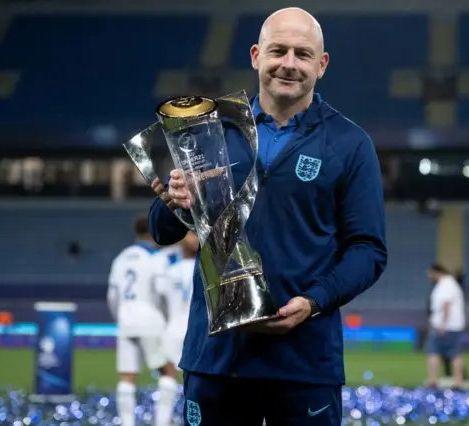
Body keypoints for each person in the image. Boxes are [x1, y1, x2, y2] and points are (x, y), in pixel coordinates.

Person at [148, 7, 387, 426]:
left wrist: (313, 303)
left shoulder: (351, 144)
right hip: (216, 359)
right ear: (257, 55)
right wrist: (177, 201)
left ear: (322, 64)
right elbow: (162, 228)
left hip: (304, 361)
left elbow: (368, 250)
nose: (289, 64)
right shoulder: (210, 132)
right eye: (278, 51)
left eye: (302, 53)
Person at [107, 216, 178, 426]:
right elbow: (162, 291)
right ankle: (162, 423)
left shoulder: (122, 258)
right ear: (154, 233)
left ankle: (127, 423)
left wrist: (119, 317)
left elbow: (113, 295)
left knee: (127, 377)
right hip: (151, 321)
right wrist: (167, 318)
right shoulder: (158, 259)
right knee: (167, 371)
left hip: (126, 320)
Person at [156, 231, 198, 369]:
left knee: (168, 376)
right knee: (193, 377)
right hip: (196, 330)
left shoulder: (170, 272)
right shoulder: (205, 272)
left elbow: (160, 297)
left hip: (172, 328)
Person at [425, 264, 466, 389]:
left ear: (436, 272)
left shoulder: (446, 285)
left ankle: (437, 380)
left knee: (436, 352)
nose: (429, 277)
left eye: (430, 274)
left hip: (446, 326)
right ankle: (455, 380)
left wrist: (443, 324)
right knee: (451, 353)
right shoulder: (448, 284)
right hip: (449, 325)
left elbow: (446, 305)